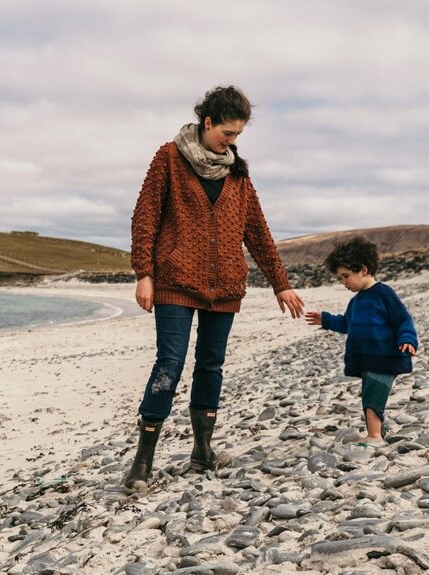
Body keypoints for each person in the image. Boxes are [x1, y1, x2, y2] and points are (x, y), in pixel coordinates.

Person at [125, 85, 304, 492]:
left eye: (238, 136)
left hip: (225, 286)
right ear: (207, 123)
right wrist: (143, 273)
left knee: (211, 366)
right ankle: (142, 462)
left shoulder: (237, 172)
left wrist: (281, 284)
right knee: (169, 365)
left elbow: (256, 230)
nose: (233, 142)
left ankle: (202, 450)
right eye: (228, 133)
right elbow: (145, 217)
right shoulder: (169, 158)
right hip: (174, 280)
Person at [304, 237, 418, 447]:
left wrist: (408, 339)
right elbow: (347, 324)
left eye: (346, 276)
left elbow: (402, 318)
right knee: (369, 395)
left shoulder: (383, 293)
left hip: (384, 355)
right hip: (368, 358)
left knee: (374, 395)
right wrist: (326, 320)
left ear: (363, 270)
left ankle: (374, 437)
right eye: (340, 278)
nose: (343, 282)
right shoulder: (356, 301)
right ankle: (377, 431)